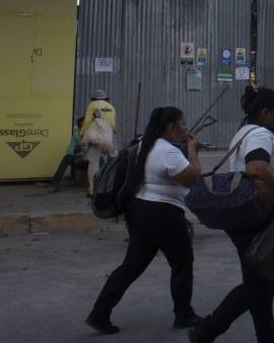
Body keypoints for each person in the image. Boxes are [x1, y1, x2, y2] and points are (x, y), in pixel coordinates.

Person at [190, 85, 274, 343]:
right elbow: (256, 167)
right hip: (260, 215)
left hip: (246, 214)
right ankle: (206, 331)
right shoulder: (259, 135)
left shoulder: (248, 132)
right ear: (264, 112)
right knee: (258, 284)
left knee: (262, 279)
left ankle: (267, 336)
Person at [86, 106, 202, 334]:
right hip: (162, 214)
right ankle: (184, 314)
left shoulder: (145, 146)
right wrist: (193, 151)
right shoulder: (169, 152)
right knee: (182, 264)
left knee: (131, 266)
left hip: (140, 210)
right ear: (172, 127)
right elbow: (193, 179)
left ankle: (99, 313)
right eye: (183, 123)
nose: (186, 128)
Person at [81, 89, 118, 196]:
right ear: (105, 97)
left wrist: (83, 135)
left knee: (94, 163)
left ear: (94, 97)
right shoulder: (111, 107)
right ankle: (109, 187)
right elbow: (113, 124)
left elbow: (87, 121)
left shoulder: (92, 105)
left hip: (95, 137)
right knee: (112, 163)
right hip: (109, 137)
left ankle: (92, 190)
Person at [47, 117, 88, 192]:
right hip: (78, 159)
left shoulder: (93, 135)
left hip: (89, 160)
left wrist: (83, 158)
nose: (81, 129)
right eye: (80, 127)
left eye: (83, 126)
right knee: (67, 158)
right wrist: (76, 150)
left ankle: (94, 188)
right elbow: (69, 149)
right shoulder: (76, 134)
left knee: (96, 159)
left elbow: (95, 153)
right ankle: (54, 184)